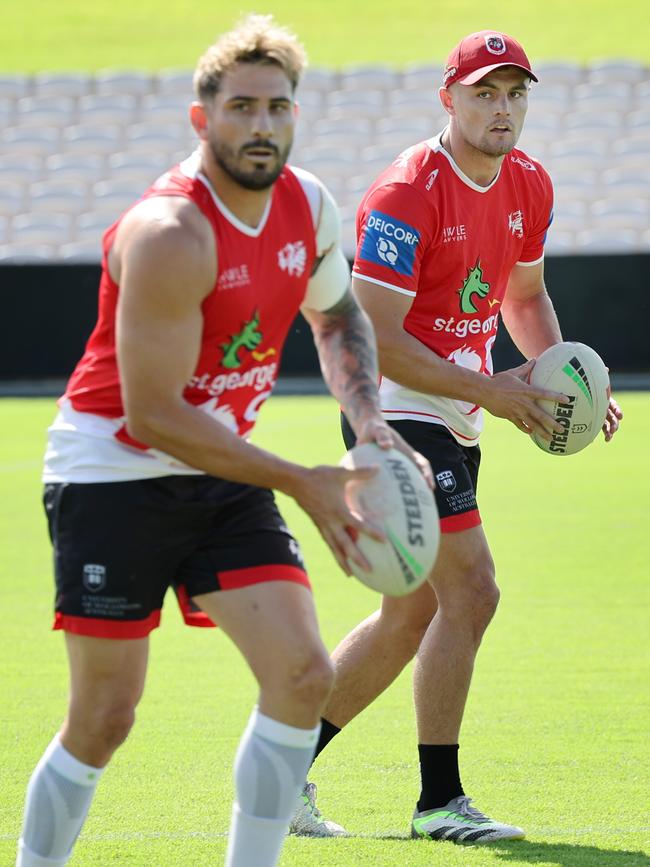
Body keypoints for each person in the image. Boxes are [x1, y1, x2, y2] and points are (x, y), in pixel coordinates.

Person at [15, 15, 432, 867]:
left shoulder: (307, 204)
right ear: (203, 119)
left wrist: (373, 424)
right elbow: (154, 415)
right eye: (242, 107)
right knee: (104, 720)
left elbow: (339, 311)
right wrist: (304, 480)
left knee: (302, 675)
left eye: (279, 107)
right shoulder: (172, 234)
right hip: (112, 473)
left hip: (220, 469)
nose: (263, 125)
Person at [291, 29, 623, 843]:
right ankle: (439, 801)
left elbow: (524, 298)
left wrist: (565, 380)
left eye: (514, 93)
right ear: (450, 98)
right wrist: (492, 390)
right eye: (484, 92)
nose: (501, 108)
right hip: (394, 408)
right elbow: (372, 334)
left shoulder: (531, 184)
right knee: (472, 589)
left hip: (457, 407)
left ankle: (277, 769)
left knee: (408, 614)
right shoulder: (407, 191)